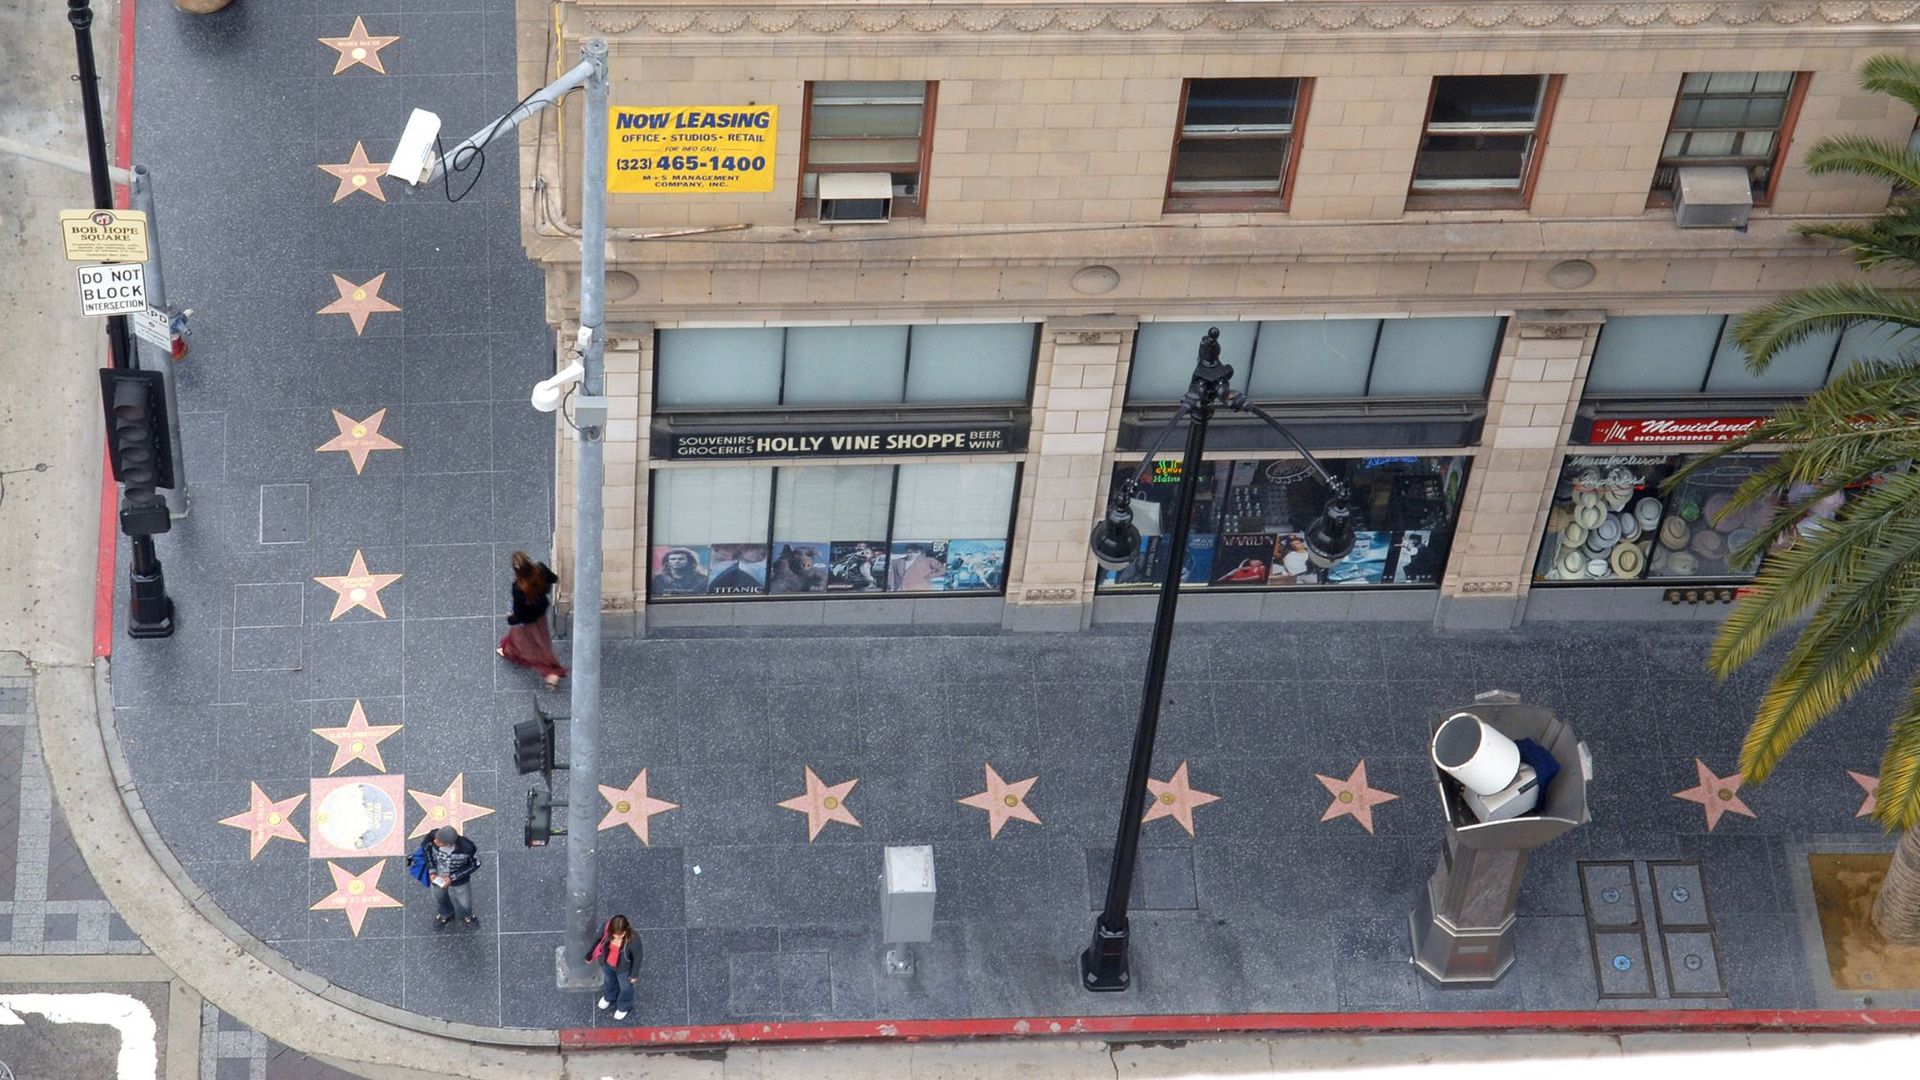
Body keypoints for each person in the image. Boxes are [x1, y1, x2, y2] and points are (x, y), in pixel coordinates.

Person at [499, 552, 568, 689]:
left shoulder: (518, 588)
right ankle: (513, 651)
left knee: (529, 644)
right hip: (540, 613)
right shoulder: (540, 569)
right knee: (541, 641)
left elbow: (519, 614)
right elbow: (553, 579)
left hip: (527, 622)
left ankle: (551, 672)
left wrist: (510, 619)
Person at [417, 826, 481, 929]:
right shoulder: (432, 837)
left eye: (439, 841)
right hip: (439, 872)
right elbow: (426, 850)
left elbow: (475, 864)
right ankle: (445, 913)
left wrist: (453, 878)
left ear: (449, 844)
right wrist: (432, 871)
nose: (435, 841)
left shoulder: (468, 848)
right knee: (438, 896)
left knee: (464, 901)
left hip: (459, 877)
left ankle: (467, 916)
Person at [586, 914, 642, 1020]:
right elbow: (598, 940)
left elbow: (637, 958)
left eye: (621, 934)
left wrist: (634, 974)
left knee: (625, 987)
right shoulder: (606, 928)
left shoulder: (633, 939)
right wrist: (589, 955)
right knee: (609, 980)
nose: (617, 937)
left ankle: (624, 1006)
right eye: (615, 934)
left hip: (623, 968)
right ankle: (609, 996)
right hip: (607, 963)